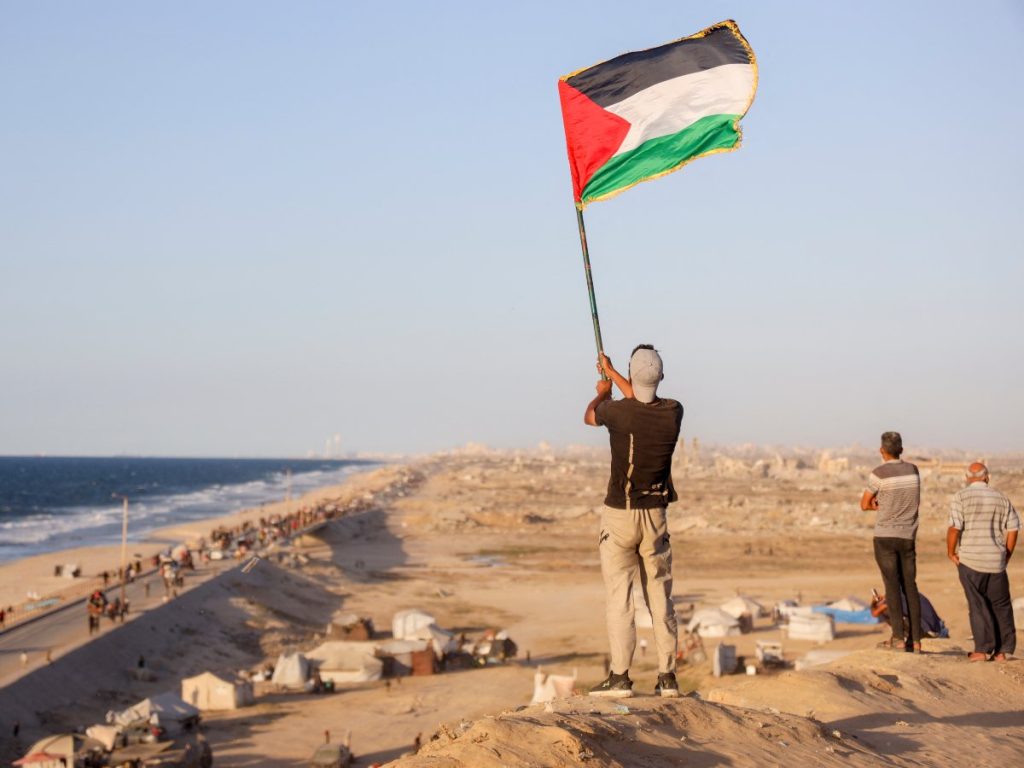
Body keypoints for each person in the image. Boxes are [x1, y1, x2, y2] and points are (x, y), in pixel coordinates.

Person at [584, 345, 683, 698]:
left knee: (620, 597)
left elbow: (590, 417)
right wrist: (613, 373)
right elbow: (640, 401)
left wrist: (602, 391)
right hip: (656, 517)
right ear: (662, 376)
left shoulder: (617, 412)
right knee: (660, 596)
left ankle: (620, 676)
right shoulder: (673, 411)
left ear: (631, 373)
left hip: (620, 515)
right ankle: (667, 677)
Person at [947, 462, 1019, 662]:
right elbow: (1013, 528)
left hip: (970, 560)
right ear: (987, 478)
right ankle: (1003, 651)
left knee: (977, 604)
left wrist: (950, 552)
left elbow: (954, 528)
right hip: (996, 561)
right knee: (1001, 605)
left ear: (967, 478)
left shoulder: (961, 497)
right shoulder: (1001, 497)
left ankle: (983, 649)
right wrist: (1007, 554)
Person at [860, 431, 922, 653]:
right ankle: (916, 641)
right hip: (907, 536)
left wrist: (877, 505)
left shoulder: (878, 474)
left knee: (892, 587)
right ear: (901, 450)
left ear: (881, 451)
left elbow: (864, 504)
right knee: (910, 587)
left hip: (885, 536)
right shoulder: (913, 470)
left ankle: (898, 638)